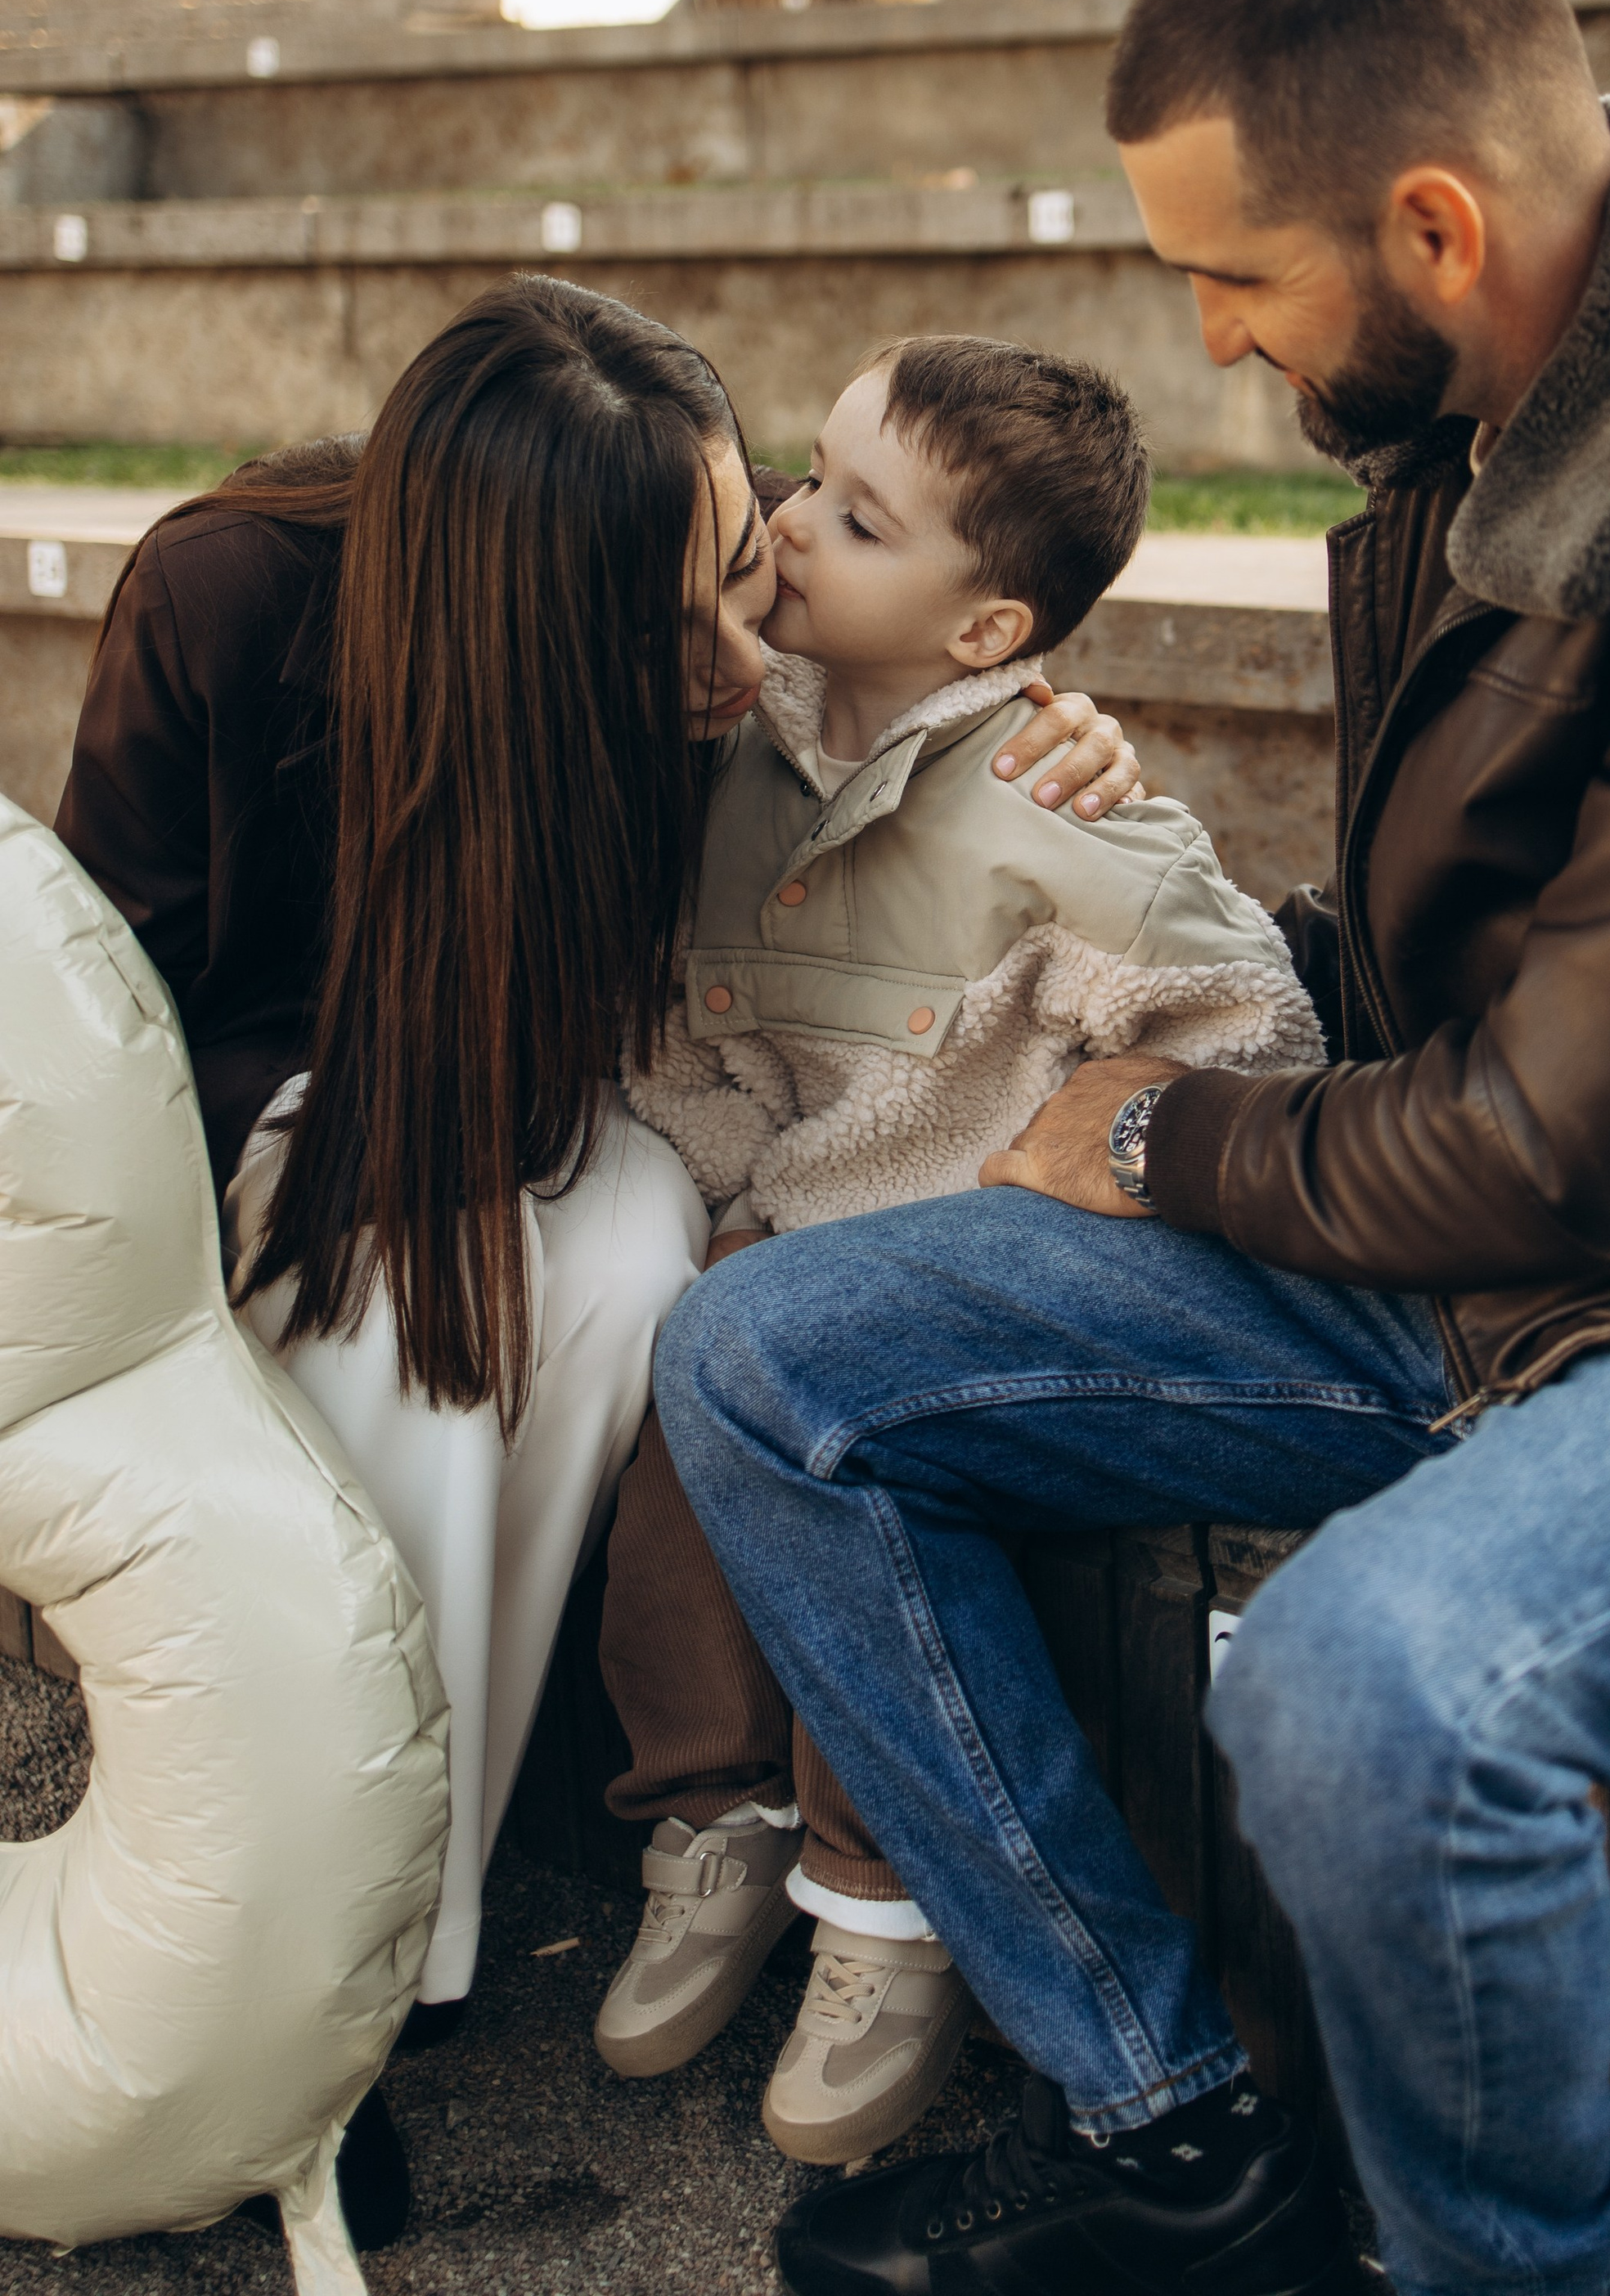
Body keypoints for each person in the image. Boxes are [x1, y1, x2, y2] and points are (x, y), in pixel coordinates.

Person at [653, 0, 1610, 2296]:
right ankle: (1187, 2137)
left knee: (1366, 1691)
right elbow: (1500, 984)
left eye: (1234, 274)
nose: (1213, 341)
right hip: (1486, 1255)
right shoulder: (1494, 399)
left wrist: (1166, 1130)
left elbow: (1560, 1137)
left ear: (1431, 223)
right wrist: (1156, 877)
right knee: (766, 1360)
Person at [52, 272, 1145, 2245]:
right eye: (675, 626)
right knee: (410, 1329)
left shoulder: (726, 674)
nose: (738, 653)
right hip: (278, 1139)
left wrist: (1045, 745)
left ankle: (391, 1960)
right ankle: (285, 1979)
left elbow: (918, 745)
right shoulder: (229, 599)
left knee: (637, 1257)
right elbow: (110, 1021)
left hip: (554, 1121)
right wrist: (340, 1109)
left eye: (745, 572)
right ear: (520, 614)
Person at [602, 332, 1323, 2161]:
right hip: (771, 1216)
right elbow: (692, 1035)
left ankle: (877, 1904)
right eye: (806, 477)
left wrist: (1059, 1171)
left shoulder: (1053, 804)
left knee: (853, 1429)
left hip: (939, 1260)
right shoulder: (726, 737)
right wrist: (712, 1177)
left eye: (854, 515)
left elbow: (1250, 1032)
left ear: (990, 632)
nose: (788, 521)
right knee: (674, 1407)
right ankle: (710, 1820)